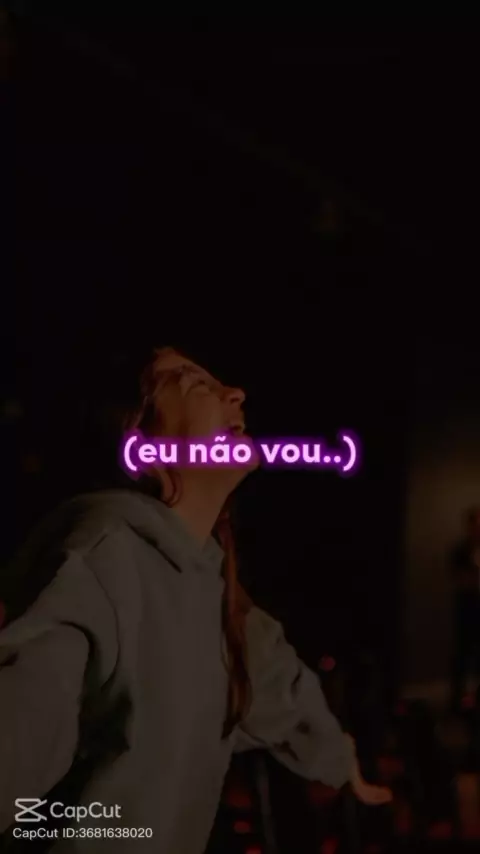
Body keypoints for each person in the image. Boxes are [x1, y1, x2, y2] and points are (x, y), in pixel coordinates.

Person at [0, 345, 391, 852]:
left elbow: (274, 683)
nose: (236, 393)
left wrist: (337, 756)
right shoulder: (98, 562)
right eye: (194, 383)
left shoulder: (211, 585)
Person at [450, 508, 480, 710]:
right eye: (475, 525)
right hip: (466, 610)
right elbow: (459, 579)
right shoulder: (460, 550)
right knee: (462, 654)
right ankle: (456, 700)